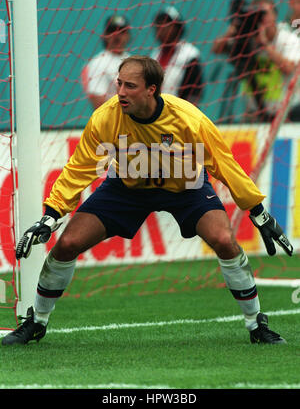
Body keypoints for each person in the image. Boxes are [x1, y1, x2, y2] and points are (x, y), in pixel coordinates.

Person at [2, 55, 293, 346]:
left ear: (151, 89)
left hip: (185, 184)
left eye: (130, 86)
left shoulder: (188, 119)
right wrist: (51, 215)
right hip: (126, 186)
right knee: (66, 244)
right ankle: (36, 322)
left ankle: (256, 324)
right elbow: (80, 168)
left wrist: (258, 213)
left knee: (224, 240)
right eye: (119, 83)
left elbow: (224, 164)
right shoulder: (106, 117)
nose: (120, 92)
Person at [212, 0, 300, 122]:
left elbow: (289, 68)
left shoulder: (289, 39)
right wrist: (232, 31)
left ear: (275, 16)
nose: (262, 19)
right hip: (254, 113)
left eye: (264, 14)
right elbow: (216, 49)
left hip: (287, 113)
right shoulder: (247, 39)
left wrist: (265, 45)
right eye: (257, 15)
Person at [151, 6, 204, 106]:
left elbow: (194, 94)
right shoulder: (155, 55)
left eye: (166, 24)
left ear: (177, 28)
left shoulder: (190, 54)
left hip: (180, 114)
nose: (161, 28)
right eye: (159, 25)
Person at [81, 14, 131, 109]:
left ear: (128, 35)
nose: (117, 35)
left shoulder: (133, 61)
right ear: (105, 35)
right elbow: (98, 103)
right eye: (113, 31)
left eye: (122, 31)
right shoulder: (97, 63)